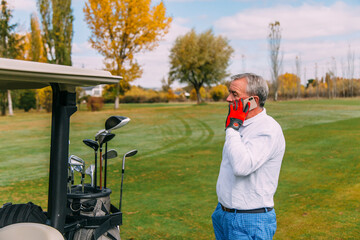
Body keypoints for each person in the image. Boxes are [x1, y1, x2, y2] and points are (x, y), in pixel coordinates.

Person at [212, 73, 286, 240]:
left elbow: (241, 167)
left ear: (253, 100)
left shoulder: (268, 128)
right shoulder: (241, 125)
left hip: (250, 220)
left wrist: (231, 128)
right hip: (223, 214)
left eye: (234, 94)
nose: (228, 99)